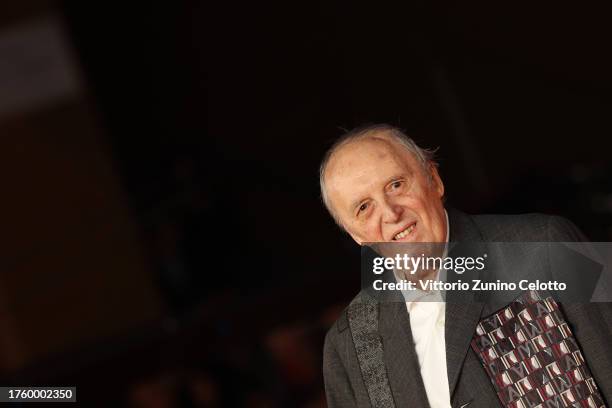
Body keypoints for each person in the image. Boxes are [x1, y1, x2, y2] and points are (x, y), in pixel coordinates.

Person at [320, 124, 612, 407]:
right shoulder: (349, 344)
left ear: (434, 180)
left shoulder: (548, 244)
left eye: (396, 185)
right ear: (356, 235)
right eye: (363, 207)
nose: (390, 213)